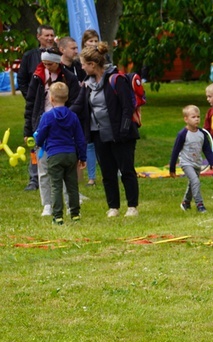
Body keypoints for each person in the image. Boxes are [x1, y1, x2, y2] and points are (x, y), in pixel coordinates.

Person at [71, 42, 141, 217]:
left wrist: (124, 130)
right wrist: (60, 115)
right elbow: (78, 105)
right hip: (99, 134)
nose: (82, 67)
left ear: (92, 65)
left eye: (83, 64)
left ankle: (132, 206)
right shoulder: (87, 84)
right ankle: (113, 207)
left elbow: (127, 107)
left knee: (126, 170)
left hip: (121, 134)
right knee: (108, 172)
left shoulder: (116, 80)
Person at [24, 47, 81, 217]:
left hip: (62, 124)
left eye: (50, 64)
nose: (47, 66)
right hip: (42, 123)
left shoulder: (69, 77)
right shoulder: (38, 77)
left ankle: (68, 203)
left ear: (58, 62)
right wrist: (28, 130)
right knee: (43, 167)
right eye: (44, 63)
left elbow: (77, 100)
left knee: (63, 171)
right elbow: (30, 103)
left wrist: (66, 116)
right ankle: (47, 204)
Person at [34, 82, 87, 225]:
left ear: (51, 98)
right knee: (72, 186)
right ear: (67, 97)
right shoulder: (73, 116)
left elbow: (39, 137)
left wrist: (37, 140)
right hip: (70, 154)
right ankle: (75, 213)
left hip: (54, 155)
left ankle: (58, 216)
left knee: (56, 186)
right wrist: (82, 157)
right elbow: (80, 139)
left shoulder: (47, 116)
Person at [18, 24, 56, 191]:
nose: (49, 38)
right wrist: (32, 98)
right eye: (46, 35)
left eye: (51, 35)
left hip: (56, 106)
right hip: (37, 109)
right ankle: (34, 178)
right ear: (39, 37)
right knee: (35, 142)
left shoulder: (57, 55)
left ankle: (56, 176)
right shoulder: (29, 56)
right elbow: (22, 81)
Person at [169, 105, 213, 213]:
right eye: (193, 117)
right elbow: (175, 151)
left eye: (198, 117)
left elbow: (207, 149)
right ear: (186, 119)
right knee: (195, 181)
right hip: (186, 163)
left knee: (192, 184)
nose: (196, 119)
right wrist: (172, 168)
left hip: (197, 163)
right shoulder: (182, 134)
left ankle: (185, 202)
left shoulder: (202, 134)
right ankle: (200, 204)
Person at [80, 29, 104, 187]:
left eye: (96, 41)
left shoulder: (104, 66)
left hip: (104, 119)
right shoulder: (82, 67)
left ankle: (113, 170)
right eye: (91, 41)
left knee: (106, 144)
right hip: (89, 115)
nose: (94, 44)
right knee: (89, 144)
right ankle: (91, 176)